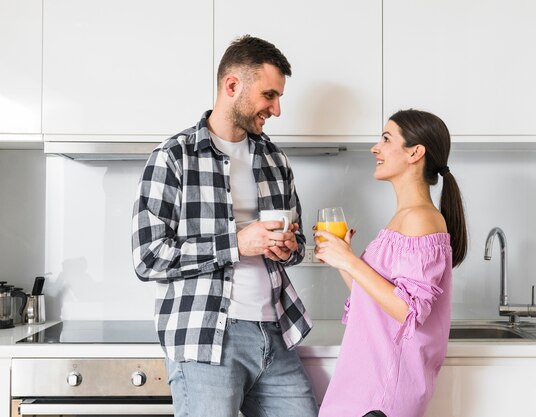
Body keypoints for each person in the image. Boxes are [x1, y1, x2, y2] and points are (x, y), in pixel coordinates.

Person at [131, 35, 318, 417]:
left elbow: (295, 245)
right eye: (269, 95)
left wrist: (288, 248)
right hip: (206, 336)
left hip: (275, 331)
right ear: (232, 85)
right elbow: (148, 258)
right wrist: (236, 243)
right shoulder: (173, 157)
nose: (277, 109)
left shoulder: (274, 159)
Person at [315, 109, 468, 417]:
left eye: (386, 139)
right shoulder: (403, 218)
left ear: (415, 152)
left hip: (382, 392)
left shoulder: (422, 219)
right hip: (366, 381)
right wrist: (345, 260)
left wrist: (350, 261)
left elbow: (407, 309)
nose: (376, 148)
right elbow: (376, 299)